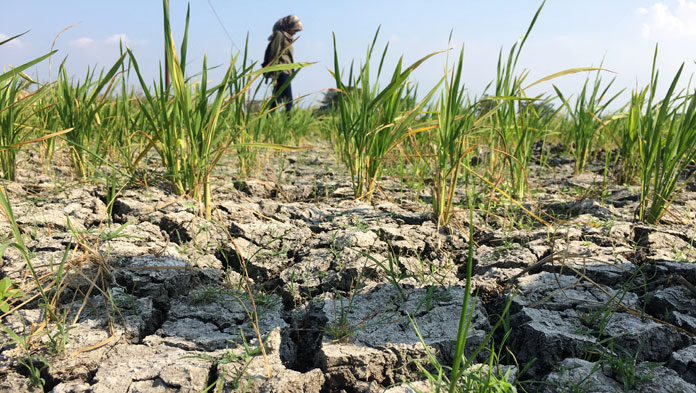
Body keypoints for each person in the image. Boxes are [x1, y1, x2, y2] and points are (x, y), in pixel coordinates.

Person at [262, 15, 302, 112]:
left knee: (277, 98)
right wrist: (274, 75)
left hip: (285, 72)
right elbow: (273, 55)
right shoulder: (279, 36)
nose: (295, 32)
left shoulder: (286, 38)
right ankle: (288, 121)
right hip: (281, 72)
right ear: (287, 27)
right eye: (294, 29)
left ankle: (268, 119)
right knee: (288, 100)